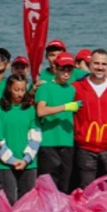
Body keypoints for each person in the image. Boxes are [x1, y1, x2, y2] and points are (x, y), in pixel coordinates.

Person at [73, 49, 107, 188]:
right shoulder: (78, 87)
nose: (100, 67)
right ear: (89, 64)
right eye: (96, 63)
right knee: (86, 187)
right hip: (85, 147)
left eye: (103, 64)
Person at [34, 52, 80, 191]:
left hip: (67, 141)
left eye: (69, 70)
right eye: (63, 69)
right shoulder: (45, 87)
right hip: (49, 142)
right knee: (48, 185)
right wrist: (65, 107)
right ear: (55, 68)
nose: (66, 73)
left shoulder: (72, 89)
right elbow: (41, 111)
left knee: (65, 184)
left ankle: (63, 211)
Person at [0, 75, 39, 203]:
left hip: (28, 163)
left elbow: (35, 137)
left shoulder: (30, 110)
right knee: (10, 200)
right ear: (9, 88)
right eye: (16, 89)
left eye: (22, 90)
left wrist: (26, 160)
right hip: (4, 164)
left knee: (27, 202)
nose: (20, 93)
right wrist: (11, 160)